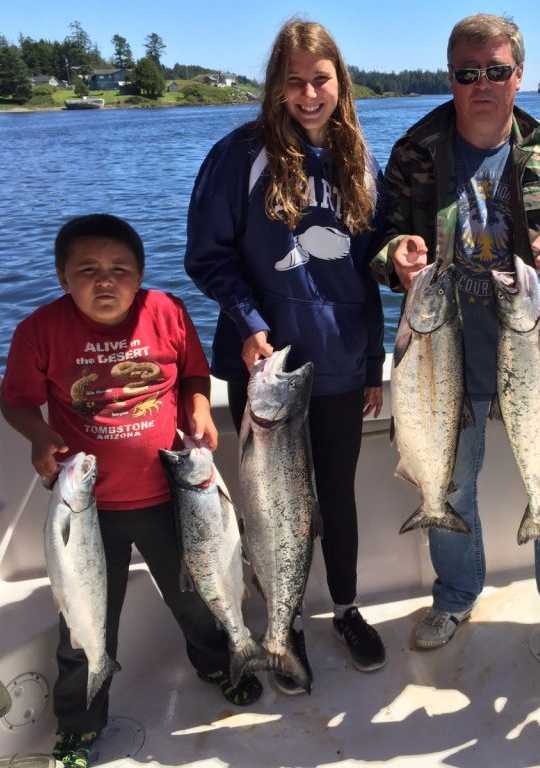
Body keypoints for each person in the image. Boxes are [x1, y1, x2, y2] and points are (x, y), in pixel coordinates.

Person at [372, 13, 540, 675]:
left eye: (496, 70)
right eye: (466, 73)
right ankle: (454, 596)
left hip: (537, 357)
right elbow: (378, 246)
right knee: (447, 489)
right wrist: (397, 252)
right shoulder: (415, 152)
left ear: (519, 74)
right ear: (450, 78)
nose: (482, 84)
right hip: (441, 360)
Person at [0, 214, 262, 767]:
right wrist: (39, 436)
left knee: (196, 593)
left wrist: (196, 408)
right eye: (87, 269)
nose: (105, 281)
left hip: (171, 497)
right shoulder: (40, 330)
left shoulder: (165, 312)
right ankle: (80, 721)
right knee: (84, 620)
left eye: (120, 269)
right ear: (61, 276)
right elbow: (17, 400)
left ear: (140, 275)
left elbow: (194, 374)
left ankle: (218, 663)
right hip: (88, 512)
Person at [185, 19, 387, 693]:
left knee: (339, 499)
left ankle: (348, 608)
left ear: (340, 83)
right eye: (294, 81)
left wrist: (372, 364)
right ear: (276, 85)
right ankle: (285, 622)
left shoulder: (361, 159)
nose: (308, 94)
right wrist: (245, 320)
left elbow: (366, 270)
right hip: (266, 367)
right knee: (276, 506)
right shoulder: (237, 155)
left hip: (339, 365)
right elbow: (206, 256)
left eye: (320, 80)